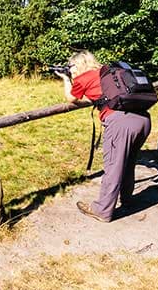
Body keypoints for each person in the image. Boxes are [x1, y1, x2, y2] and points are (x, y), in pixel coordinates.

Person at [54, 50, 151, 222]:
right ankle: (127, 199)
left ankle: (102, 210)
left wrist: (66, 79)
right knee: (128, 162)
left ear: (78, 65)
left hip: (121, 123)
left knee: (113, 167)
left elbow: (71, 98)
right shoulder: (107, 72)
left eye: (71, 66)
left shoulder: (84, 78)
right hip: (143, 119)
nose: (70, 69)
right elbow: (99, 96)